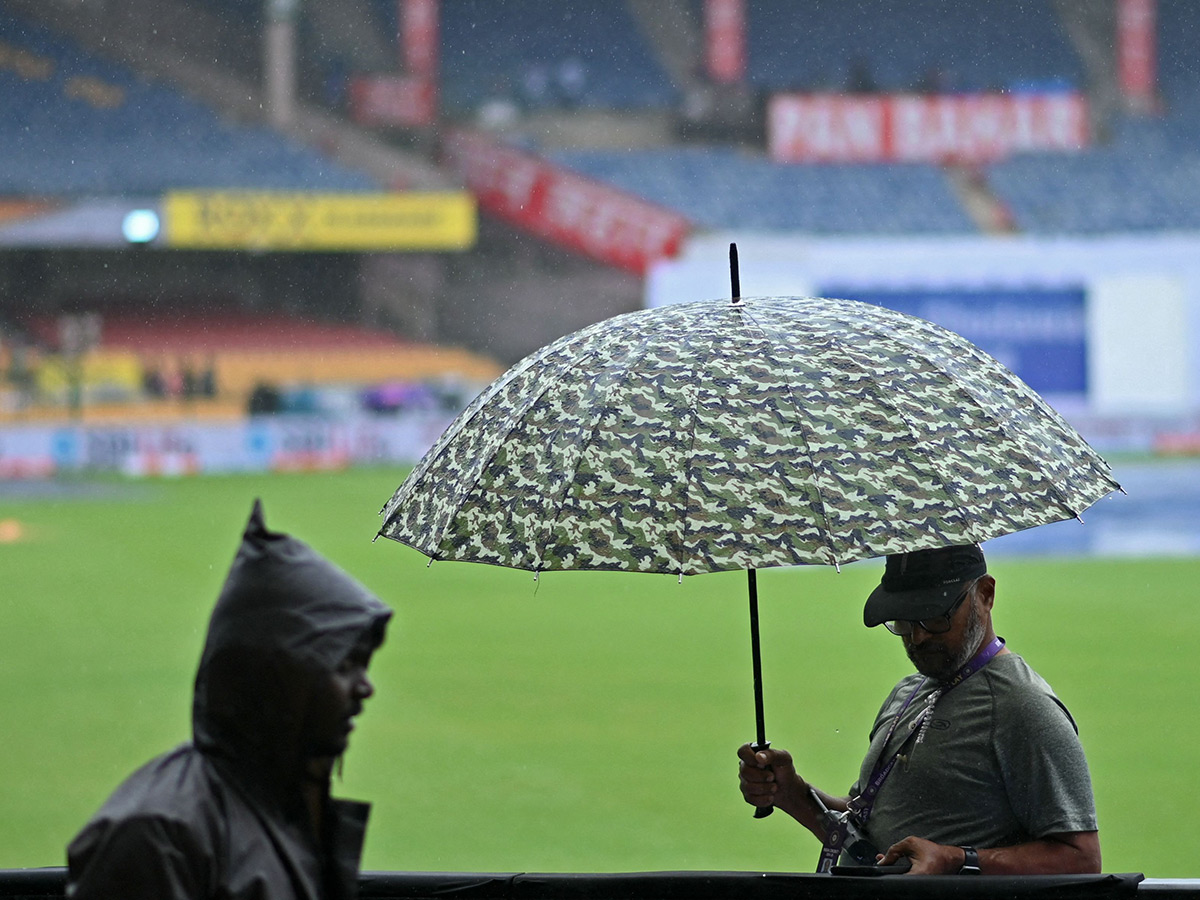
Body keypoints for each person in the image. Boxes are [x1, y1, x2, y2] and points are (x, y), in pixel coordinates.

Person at [67, 500, 393, 900]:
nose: (366, 688)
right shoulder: (160, 833)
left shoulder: (279, 801)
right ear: (282, 677)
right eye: (345, 667)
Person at [738, 543, 1100, 876]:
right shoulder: (908, 691)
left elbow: (1081, 859)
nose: (918, 637)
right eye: (904, 621)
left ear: (985, 595)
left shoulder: (1024, 707)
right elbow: (867, 829)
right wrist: (794, 794)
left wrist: (958, 859)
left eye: (935, 617)